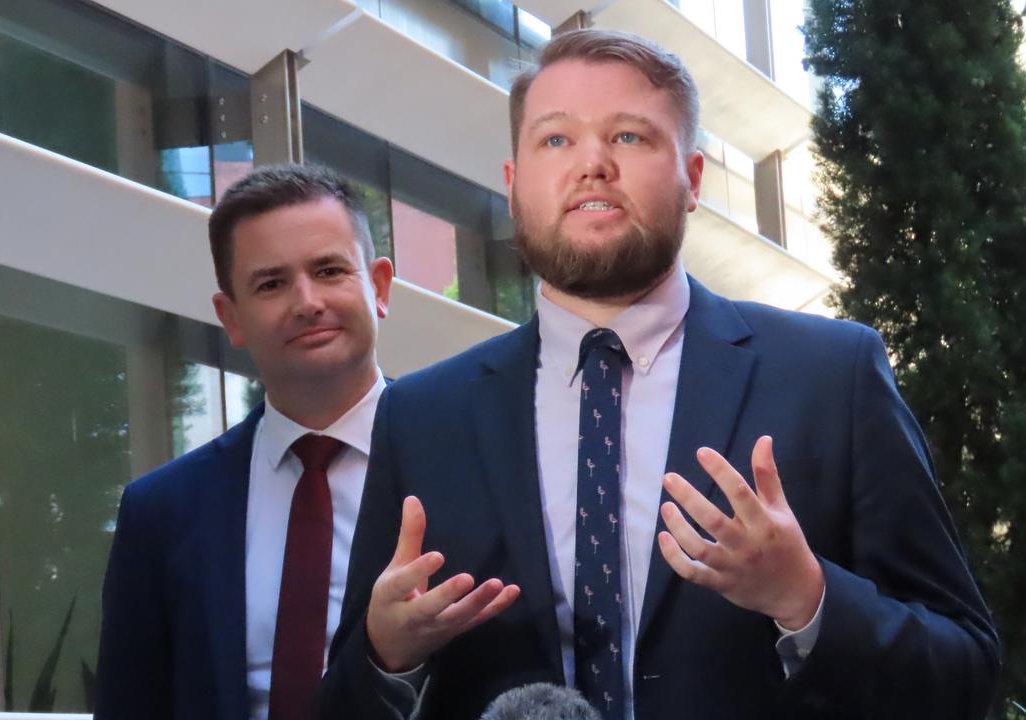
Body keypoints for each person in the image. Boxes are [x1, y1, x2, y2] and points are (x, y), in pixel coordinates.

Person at [320, 29, 998, 720]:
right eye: (555, 140)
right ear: (513, 182)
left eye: (630, 137)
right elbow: (341, 705)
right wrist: (386, 655)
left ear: (693, 179)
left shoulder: (832, 377)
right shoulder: (421, 416)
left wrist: (808, 598)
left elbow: (967, 672)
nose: (592, 165)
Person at [94, 163, 393, 720]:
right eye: (271, 283)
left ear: (378, 287)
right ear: (231, 318)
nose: (307, 302)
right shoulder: (161, 512)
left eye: (329, 270)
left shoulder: (467, 462)